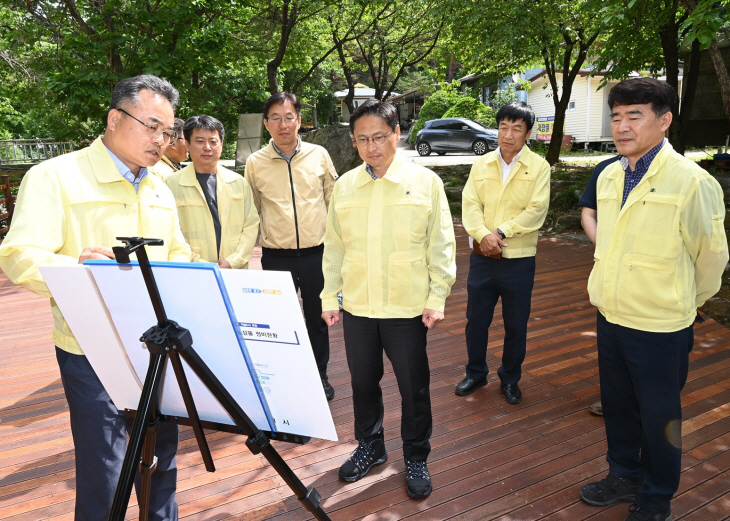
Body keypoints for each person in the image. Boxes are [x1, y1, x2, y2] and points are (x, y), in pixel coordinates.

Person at [0, 75, 192, 520]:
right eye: (151, 126)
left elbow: (179, 252)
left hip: (156, 349)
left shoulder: (162, 186)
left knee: (162, 461)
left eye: (168, 131)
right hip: (89, 348)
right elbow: (17, 254)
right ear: (114, 118)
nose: (161, 140)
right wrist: (82, 273)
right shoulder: (55, 176)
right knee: (104, 469)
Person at [578, 77, 728, 521]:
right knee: (619, 407)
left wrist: (685, 300)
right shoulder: (608, 174)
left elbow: (711, 258)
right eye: (616, 117)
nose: (622, 127)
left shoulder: (691, 182)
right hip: (611, 315)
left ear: (664, 121)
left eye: (634, 116)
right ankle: (623, 475)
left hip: (661, 326)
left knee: (660, 419)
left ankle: (657, 497)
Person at [320, 99, 456, 499]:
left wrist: (437, 296)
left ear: (397, 133)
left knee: (413, 386)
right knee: (363, 383)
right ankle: (371, 446)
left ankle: (416, 455)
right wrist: (330, 297)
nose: (371, 146)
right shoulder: (345, 186)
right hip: (359, 306)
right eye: (362, 139)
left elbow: (441, 245)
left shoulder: (425, 182)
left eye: (379, 136)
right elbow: (334, 249)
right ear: (353, 141)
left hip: (407, 306)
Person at [245, 92, 339, 400]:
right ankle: (285, 375)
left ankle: (320, 374)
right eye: (276, 118)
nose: (283, 124)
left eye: (289, 117)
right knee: (280, 320)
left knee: (318, 318)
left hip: (317, 253)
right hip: (275, 255)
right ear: (266, 123)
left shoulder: (319, 155)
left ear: (299, 120)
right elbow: (252, 210)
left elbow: (333, 201)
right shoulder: (255, 163)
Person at [456, 101, 550, 404]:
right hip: (482, 258)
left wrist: (500, 232)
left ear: (527, 133)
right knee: (476, 320)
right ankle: (475, 372)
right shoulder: (481, 164)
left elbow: (536, 211)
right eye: (503, 127)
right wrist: (483, 235)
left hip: (518, 259)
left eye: (516, 129)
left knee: (516, 324)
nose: (508, 135)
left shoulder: (539, 167)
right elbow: (470, 205)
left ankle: (510, 378)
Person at [165, 115, 259, 268]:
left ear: (221, 144)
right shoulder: (171, 184)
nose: (207, 147)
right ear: (188, 144)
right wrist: (200, 263)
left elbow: (251, 225)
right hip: (192, 269)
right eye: (200, 141)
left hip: (234, 269)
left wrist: (233, 261)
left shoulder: (238, 182)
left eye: (213, 141)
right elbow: (171, 232)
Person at [580, 155, 621, 417]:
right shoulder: (605, 169)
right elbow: (588, 213)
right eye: (617, 118)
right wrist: (602, 247)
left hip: (655, 281)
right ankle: (612, 400)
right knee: (611, 343)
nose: (623, 126)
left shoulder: (681, 173)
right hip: (610, 273)